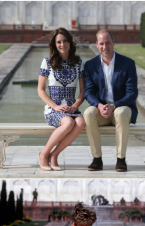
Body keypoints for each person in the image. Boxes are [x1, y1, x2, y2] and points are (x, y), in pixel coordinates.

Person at [84, 29, 138, 172]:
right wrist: (99, 105)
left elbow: (132, 93)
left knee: (120, 112)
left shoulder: (127, 64)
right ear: (97, 44)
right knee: (88, 113)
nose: (105, 47)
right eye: (101, 43)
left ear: (113, 42)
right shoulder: (90, 66)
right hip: (102, 110)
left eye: (107, 43)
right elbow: (88, 92)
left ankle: (121, 160)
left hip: (121, 109)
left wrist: (114, 106)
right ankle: (97, 159)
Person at [38, 28, 86, 171]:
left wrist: (75, 105)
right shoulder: (47, 62)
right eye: (58, 42)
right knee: (68, 122)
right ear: (54, 44)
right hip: (53, 109)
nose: (62, 44)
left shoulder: (79, 63)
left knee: (81, 121)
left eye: (65, 41)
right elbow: (40, 90)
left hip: (72, 108)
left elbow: (83, 90)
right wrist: (55, 106)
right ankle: (44, 154)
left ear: (70, 43)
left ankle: (54, 155)